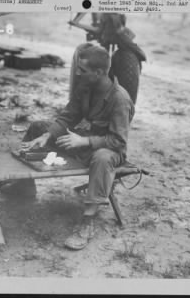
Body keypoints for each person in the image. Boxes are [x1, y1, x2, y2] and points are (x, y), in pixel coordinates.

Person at [20, 45, 135, 250]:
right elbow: (69, 116)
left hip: (109, 150)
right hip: (83, 141)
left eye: (82, 70)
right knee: (39, 127)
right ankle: (24, 187)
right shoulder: (86, 86)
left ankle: (87, 223)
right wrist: (47, 135)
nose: (77, 73)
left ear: (99, 73)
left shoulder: (120, 99)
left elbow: (119, 140)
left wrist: (84, 142)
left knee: (103, 158)